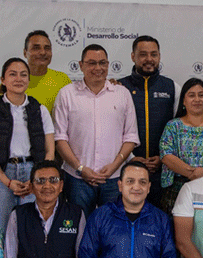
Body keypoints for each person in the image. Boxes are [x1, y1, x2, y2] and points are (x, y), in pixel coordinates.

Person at [53, 44, 139, 216]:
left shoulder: (122, 94)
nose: (98, 68)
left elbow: (130, 137)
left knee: (112, 226)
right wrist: (80, 168)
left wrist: (114, 166)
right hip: (77, 179)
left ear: (108, 65)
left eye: (102, 63)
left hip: (114, 178)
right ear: (81, 65)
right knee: (79, 225)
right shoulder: (66, 94)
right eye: (92, 63)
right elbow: (59, 138)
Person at [0, 58, 55, 233]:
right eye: (13, 74)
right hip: (2, 175)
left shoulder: (39, 109)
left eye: (23, 75)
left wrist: (36, 179)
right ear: (3, 80)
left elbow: (50, 151)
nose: (18, 79)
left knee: (32, 229)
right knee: (2, 229)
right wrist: (7, 182)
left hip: (32, 173)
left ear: (29, 79)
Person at [118, 35, 179, 205]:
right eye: (143, 54)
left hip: (162, 171)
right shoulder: (119, 88)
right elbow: (113, 130)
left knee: (159, 217)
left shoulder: (172, 87)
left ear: (159, 56)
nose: (149, 59)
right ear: (133, 56)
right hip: (126, 169)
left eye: (154, 54)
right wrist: (129, 157)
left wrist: (164, 157)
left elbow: (179, 130)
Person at [158, 78, 203, 213]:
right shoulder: (173, 126)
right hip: (177, 191)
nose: (197, 99)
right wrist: (192, 173)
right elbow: (166, 155)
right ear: (184, 101)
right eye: (192, 95)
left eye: (201, 95)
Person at [23, 30, 71, 114]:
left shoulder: (62, 80)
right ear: (25, 53)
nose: (43, 52)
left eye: (47, 48)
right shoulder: (15, 81)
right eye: (36, 48)